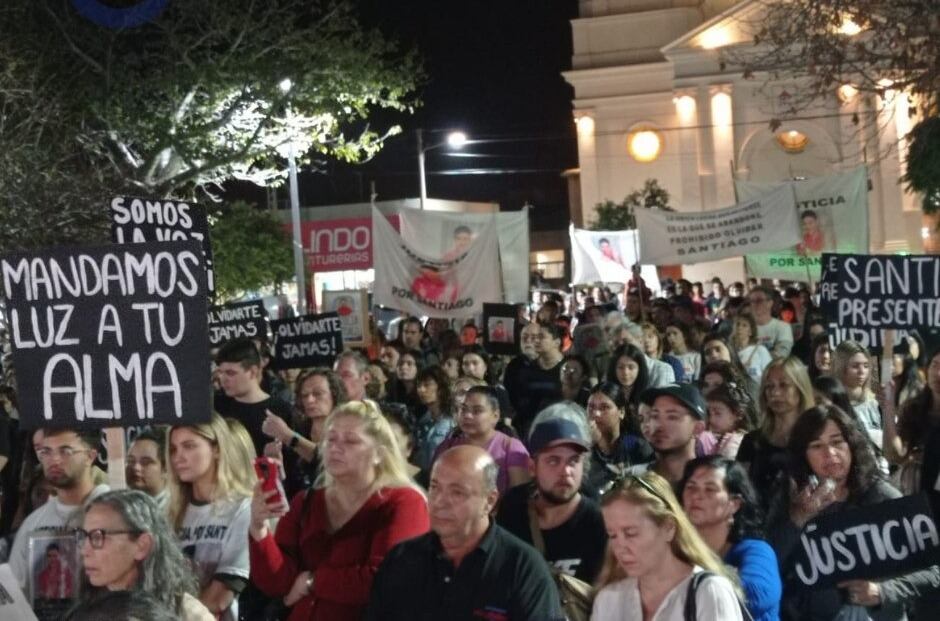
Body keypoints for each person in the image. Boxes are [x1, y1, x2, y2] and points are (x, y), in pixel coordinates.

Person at [249, 400, 430, 621]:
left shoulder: (404, 502)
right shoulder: (306, 501)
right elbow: (277, 583)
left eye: (351, 441)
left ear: (379, 454)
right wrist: (259, 528)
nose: (335, 447)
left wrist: (312, 581)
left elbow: (386, 580)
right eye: (330, 439)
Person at [765, 405, 940, 621]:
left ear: (852, 445)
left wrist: (883, 591)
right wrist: (797, 520)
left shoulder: (881, 497)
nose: (830, 454)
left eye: (837, 442)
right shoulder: (791, 498)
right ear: (804, 455)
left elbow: (933, 570)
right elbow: (767, 560)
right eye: (816, 446)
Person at [366, 445, 563, 620]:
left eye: (457, 492)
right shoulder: (402, 559)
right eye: (435, 488)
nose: (440, 502)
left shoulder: (524, 569)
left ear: (489, 501)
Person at [592, 471, 743, 621]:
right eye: (612, 535)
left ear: (668, 528)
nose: (620, 547)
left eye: (631, 533)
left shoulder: (710, 592)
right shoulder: (609, 599)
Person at [495, 417, 607, 583]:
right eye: (553, 461)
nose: (566, 471)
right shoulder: (513, 508)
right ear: (532, 467)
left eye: (574, 460)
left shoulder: (598, 523)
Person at [75, 489, 213, 620]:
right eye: (84, 536)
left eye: (98, 537)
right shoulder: (85, 612)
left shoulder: (188, 614)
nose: (84, 551)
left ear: (142, 546)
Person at [167, 414, 254, 621]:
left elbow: (221, 595)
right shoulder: (169, 510)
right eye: (173, 449)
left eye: (189, 446)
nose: (179, 457)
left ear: (216, 449)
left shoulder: (242, 507)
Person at [680, 457, 781, 621]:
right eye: (691, 487)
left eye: (710, 489)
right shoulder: (676, 550)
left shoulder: (756, 550)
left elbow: (758, 595)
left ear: (735, 504)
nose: (696, 496)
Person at [9, 428, 109, 589]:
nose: (54, 460)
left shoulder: (114, 513)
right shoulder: (33, 523)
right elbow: (14, 592)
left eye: (65, 451)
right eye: (46, 451)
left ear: (90, 456)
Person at [736, 357, 815, 505]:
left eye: (784, 385)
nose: (775, 393)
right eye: (769, 387)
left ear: (800, 388)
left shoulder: (816, 438)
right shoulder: (752, 441)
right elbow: (739, 489)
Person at [261, 367, 348, 491]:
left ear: (334, 394)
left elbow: (325, 459)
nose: (309, 400)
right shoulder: (299, 430)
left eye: (317, 394)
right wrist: (274, 467)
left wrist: (288, 436)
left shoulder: (346, 431)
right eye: (304, 395)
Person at [434, 386, 531, 495]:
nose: (467, 415)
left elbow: (519, 499)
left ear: (495, 415)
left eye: (477, 411)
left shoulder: (511, 448)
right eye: (464, 409)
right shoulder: (447, 446)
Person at [213, 338, 294, 459]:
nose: (223, 379)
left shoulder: (281, 410)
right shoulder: (215, 407)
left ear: (252, 372)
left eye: (230, 373)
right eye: (220, 372)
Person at [587, 382, 655, 493]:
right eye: (591, 407)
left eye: (604, 407)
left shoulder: (636, 446)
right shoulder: (582, 447)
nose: (596, 414)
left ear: (621, 412)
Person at [832, 340, 883, 452]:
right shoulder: (833, 404)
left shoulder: (876, 402)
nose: (862, 371)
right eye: (855, 366)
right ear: (841, 367)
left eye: (866, 366)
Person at [413, 365, 456, 473]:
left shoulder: (451, 421)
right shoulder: (421, 419)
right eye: (419, 385)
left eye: (427, 385)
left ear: (440, 388)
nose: (421, 390)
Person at [703, 382, 751, 459]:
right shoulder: (720, 440)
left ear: (738, 414)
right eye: (709, 413)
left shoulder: (733, 445)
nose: (711, 420)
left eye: (717, 413)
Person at [125, 430, 169, 511]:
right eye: (130, 461)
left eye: (145, 462)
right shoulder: (121, 507)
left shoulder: (176, 512)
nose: (136, 467)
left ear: (165, 468)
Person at [747, 286, 794, 359]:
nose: (755, 304)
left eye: (759, 300)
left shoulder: (783, 327)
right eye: (752, 301)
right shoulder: (742, 326)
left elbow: (781, 354)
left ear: (770, 303)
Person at [732, 313, 773, 383]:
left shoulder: (760, 350)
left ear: (750, 332)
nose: (739, 328)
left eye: (744, 325)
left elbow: (770, 375)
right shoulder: (730, 352)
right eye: (738, 324)